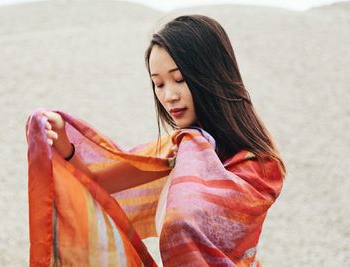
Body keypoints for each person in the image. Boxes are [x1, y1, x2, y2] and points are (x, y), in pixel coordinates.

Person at [29, 14, 285, 266]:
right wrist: (64, 141)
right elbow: (97, 184)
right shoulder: (180, 149)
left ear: (212, 75)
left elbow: (184, 221)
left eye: (179, 79)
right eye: (158, 84)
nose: (169, 96)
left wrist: (195, 152)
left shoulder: (258, 166)